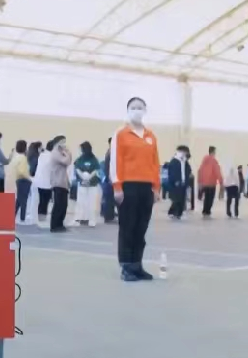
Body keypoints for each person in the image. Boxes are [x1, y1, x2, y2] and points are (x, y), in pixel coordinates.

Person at [111, 96, 161, 282]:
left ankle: (137, 265)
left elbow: (155, 163)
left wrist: (156, 187)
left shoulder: (151, 136)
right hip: (128, 186)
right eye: (133, 107)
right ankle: (126, 266)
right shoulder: (121, 134)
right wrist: (117, 187)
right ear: (127, 110)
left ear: (145, 111)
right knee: (128, 227)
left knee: (141, 228)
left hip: (146, 187)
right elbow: (116, 161)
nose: (137, 110)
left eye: (140, 107)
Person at [74, 141, 101, 227]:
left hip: (92, 184)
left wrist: (88, 177)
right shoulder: (79, 159)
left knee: (91, 202)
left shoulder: (94, 159)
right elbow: (77, 169)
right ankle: (82, 218)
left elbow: (96, 170)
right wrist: (83, 177)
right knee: (81, 202)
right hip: (82, 183)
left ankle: (91, 219)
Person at [48, 135, 73, 233]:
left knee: (63, 205)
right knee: (58, 205)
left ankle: (60, 224)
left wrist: (66, 152)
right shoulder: (55, 153)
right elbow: (66, 161)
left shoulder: (61, 152)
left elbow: (69, 160)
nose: (64, 144)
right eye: (63, 142)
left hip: (63, 182)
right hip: (57, 182)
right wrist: (67, 152)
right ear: (57, 143)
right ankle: (54, 226)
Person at [197, 146, 223, 218]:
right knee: (210, 198)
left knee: (206, 197)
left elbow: (200, 171)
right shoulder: (214, 161)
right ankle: (207, 211)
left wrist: (200, 181)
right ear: (213, 152)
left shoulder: (204, 161)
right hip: (211, 183)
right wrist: (221, 181)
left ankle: (204, 210)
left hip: (205, 183)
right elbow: (217, 171)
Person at [167, 145, 191, 220]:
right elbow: (172, 172)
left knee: (182, 199)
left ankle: (179, 213)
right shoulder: (174, 161)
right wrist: (175, 180)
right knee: (176, 199)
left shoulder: (184, 161)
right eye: (185, 152)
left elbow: (188, 170)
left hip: (183, 182)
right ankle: (172, 212)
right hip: (176, 183)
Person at [11, 139, 32, 223]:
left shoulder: (16, 157)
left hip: (18, 180)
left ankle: (12, 216)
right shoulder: (23, 158)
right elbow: (22, 171)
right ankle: (22, 219)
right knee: (24, 201)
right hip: (24, 180)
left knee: (19, 200)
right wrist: (30, 179)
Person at [34, 140, 54, 224]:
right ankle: (42, 217)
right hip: (47, 182)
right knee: (45, 200)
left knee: (41, 200)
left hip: (39, 182)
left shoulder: (42, 155)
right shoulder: (52, 157)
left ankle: (40, 216)